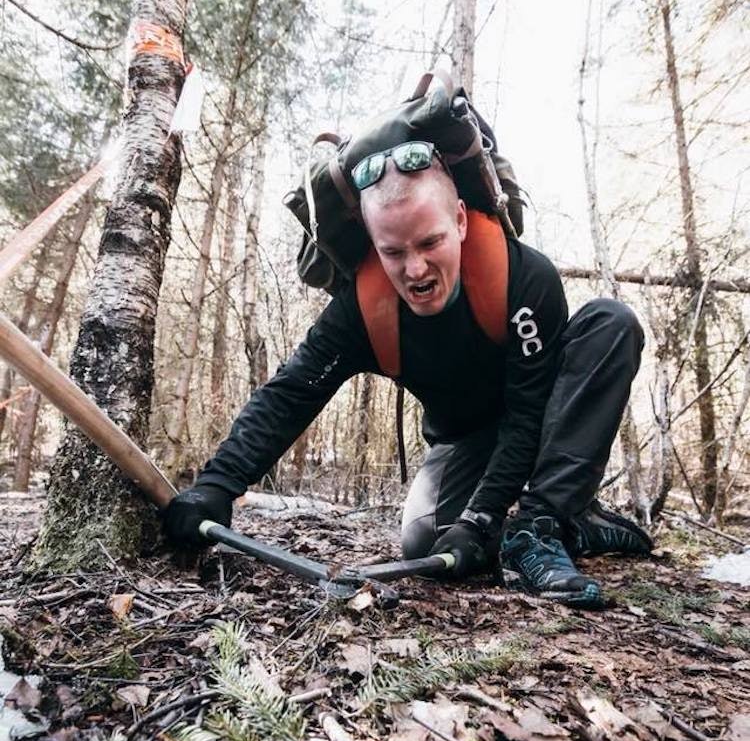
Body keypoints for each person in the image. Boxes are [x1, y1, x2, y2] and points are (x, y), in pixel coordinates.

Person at [163, 144, 651, 607]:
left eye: (430, 242)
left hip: (542, 418)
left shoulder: (523, 278)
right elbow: (291, 393)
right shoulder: (362, 309)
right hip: (466, 440)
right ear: (375, 246)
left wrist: (482, 519)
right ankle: (577, 524)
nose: (415, 269)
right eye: (393, 252)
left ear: (459, 221)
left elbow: (527, 415)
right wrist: (218, 484)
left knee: (610, 323)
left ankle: (540, 525)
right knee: (424, 540)